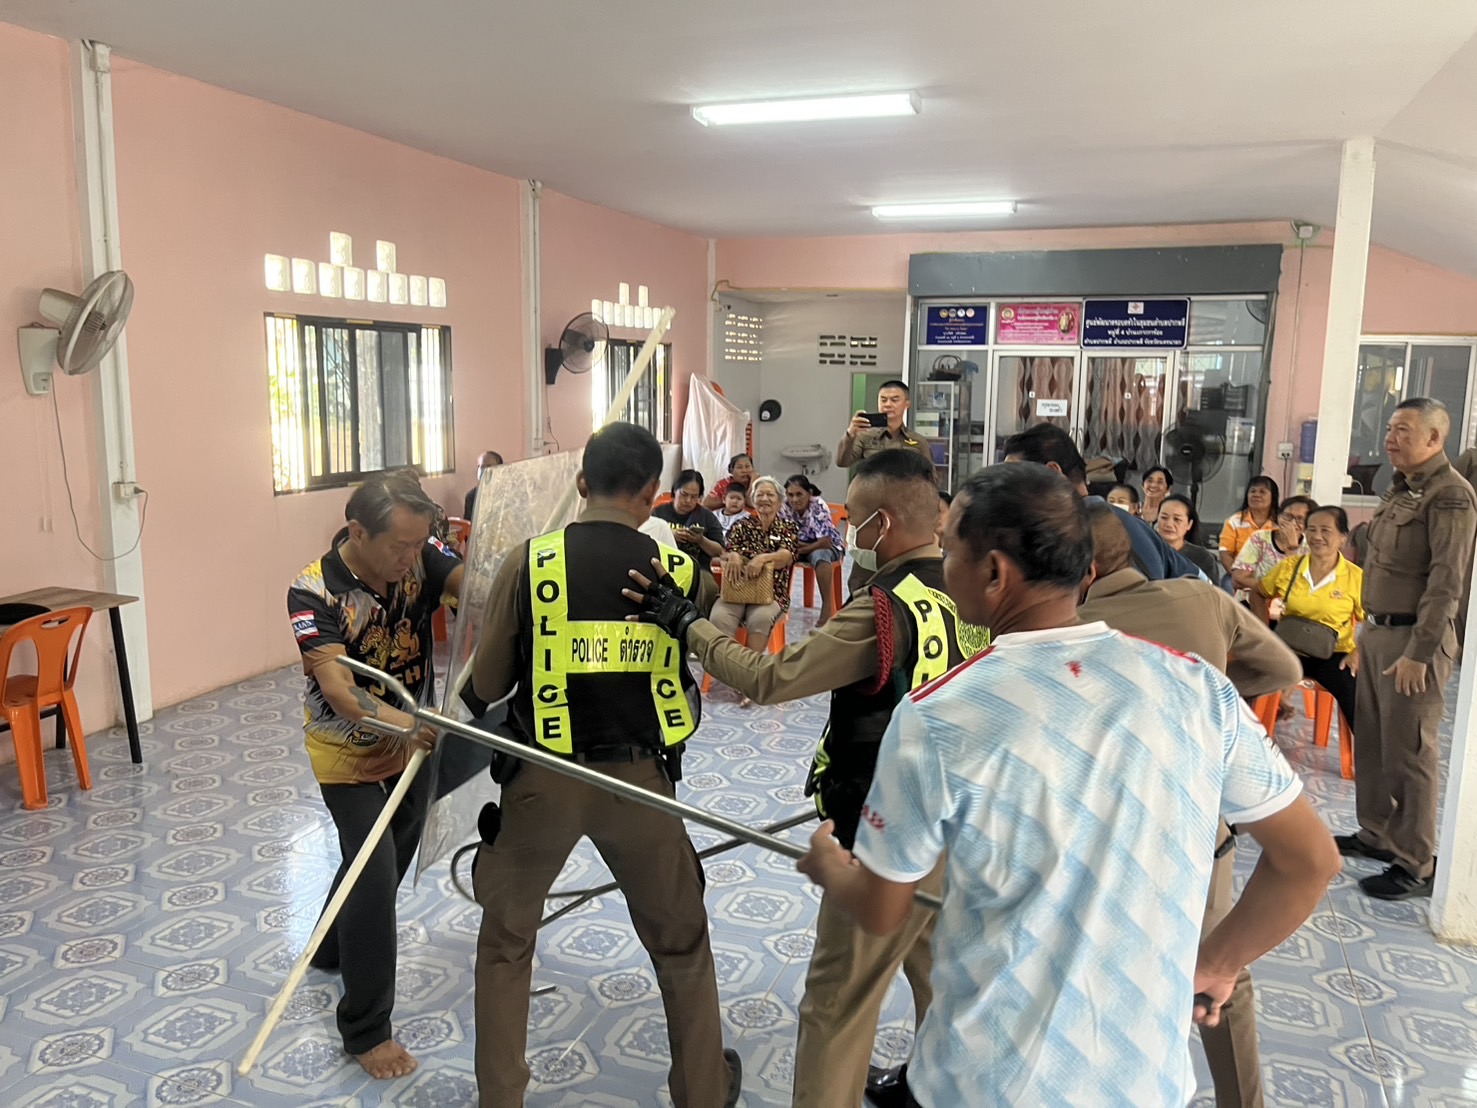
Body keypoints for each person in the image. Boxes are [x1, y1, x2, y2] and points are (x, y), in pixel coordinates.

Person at [796, 463, 1340, 1108]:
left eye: (950, 552)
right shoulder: (1197, 687)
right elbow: (1309, 861)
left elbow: (885, 910)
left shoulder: (940, 715)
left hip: (982, 1084)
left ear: (993, 573)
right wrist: (1218, 962)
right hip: (1144, 1086)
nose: (944, 566)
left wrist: (831, 869)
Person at [623, 448, 972, 1108]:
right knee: (936, 973)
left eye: (856, 521)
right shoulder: (975, 590)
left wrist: (686, 623)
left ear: (884, 524)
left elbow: (771, 678)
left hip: (883, 834)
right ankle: (937, 1092)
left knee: (837, 1004)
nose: (848, 533)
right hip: (957, 824)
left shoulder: (883, 607)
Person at [468, 423, 741, 1108]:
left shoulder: (530, 562)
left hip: (540, 782)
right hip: (643, 784)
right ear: (652, 494)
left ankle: (501, 1098)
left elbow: (490, 682)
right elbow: (717, 640)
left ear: (581, 482)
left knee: (506, 944)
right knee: (680, 945)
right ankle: (703, 1093)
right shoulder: (682, 571)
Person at [1079, 503, 1304, 1108]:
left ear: (1082, 567)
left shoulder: (1069, 623)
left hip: (1107, 829)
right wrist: (1211, 693)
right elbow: (1283, 666)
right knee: (1220, 972)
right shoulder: (1203, 600)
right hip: (1203, 827)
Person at [287, 471, 465, 1080]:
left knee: (379, 859)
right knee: (374, 869)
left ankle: (330, 946)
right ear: (358, 532)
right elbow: (340, 691)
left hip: (415, 746)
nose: (411, 558)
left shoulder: (421, 556)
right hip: (349, 755)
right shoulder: (313, 591)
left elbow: (475, 590)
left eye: (418, 545)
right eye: (399, 546)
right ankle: (366, 1029)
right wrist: (409, 723)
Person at [1343, 398, 1477, 900]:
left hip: (1413, 641)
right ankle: (1376, 833)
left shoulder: (1450, 495)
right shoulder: (1401, 489)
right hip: (1378, 634)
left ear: (1434, 438)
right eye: (1390, 428)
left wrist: (1419, 653)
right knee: (1374, 743)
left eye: (1403, 430)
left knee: (1410, 752)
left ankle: (1417, 862)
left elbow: (1446, 583)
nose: (1390, 439)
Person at [1001, 423, 1205, 580]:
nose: (1007, 492)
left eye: (1013, 478)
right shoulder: (1131, 523)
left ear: (1052, 473)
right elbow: (1203, 583)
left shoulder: (1075, 532)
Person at [1257, 506, 1364, 731]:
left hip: (1334, 654)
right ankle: (1253, 735)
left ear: (1343, 538)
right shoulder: (1290, 567)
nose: (1316, 536)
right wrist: (1263, 630)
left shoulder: (1356, 577)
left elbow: (1374, 620)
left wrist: (1357, 653)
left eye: (1325, 530)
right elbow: (1258, 592)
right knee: (1253, 679)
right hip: (1290, 648)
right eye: (1312, 529)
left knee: (1356, 699)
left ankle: (1368, 751)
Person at [710, 475, 800, 650]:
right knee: (719, 616)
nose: (764, 499)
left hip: (771, 594)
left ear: (780, 501)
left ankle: (750, 664)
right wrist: (733, 556)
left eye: (770, 495)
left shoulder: (788, 527)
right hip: (736, 589)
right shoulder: (741, 525)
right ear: (753, 500)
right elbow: (727, 550)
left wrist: (762, 558)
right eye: (759, 495)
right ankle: (727, 663)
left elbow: (785, 556)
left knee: (761, 619)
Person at [1234, 494, 1316, 612]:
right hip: (1252, 603)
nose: (1292, 524)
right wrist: (1270, 591)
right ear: (1278, 516)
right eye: (1288, 516)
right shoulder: (1260, 538)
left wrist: (1292, 549)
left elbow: (1302, 586)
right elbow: (1239, 578)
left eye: (1299, 519)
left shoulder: (1310, 547)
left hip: (1292, 608)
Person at [782, 474, 845, 625]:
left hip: (827, 547)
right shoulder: (784, 506)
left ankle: (827, 606)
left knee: (820, 555)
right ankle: (779, 603)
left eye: (799, 494)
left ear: (809, 493)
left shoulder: (818, 505)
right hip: (800, 546)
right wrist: (795, 546)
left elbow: (825, 542)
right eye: (790, 495)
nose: (794, 499)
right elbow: (784, 536)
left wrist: (801, 549)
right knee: (779, 555)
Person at [836, 380, 935, 468]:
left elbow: (929, 475)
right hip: (871, 483)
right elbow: (842, 462)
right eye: (883, 400)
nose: (888, 404)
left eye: (894, 400)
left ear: (907, 404)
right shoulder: (864, 435)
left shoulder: (918, 441)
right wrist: (850, 434)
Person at [654, 469, 727, 571]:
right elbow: (645, 541)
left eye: (694, 497)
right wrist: (669, 535)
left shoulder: (707, 517)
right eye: (684, 494)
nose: (688, 500)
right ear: (674, 491)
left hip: (698, 570)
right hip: (662, 568)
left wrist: (701, 540)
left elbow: (719, 551)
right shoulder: (657, 513)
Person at [1158, 493, 1226, 584]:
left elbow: (1212, 590)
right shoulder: (1146, 550)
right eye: (1164, 517)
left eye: (1177, 519)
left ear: (1189, 524)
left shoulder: (1202, 557)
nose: (1169, 524)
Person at [1219, 476, 1280, 573]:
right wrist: (1237, 575)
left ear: (1273, 497)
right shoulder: (1234, 522)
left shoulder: (1281, 524)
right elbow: (1225, 553)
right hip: (1239, 574)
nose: (1256, 495)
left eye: (1262, 492)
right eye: (1252, 491)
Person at [464, 450, 505, 520]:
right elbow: (468, 523)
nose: (484, 470)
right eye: (481, 467)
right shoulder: (472, 496)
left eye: (489, 466)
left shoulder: (505, 493)